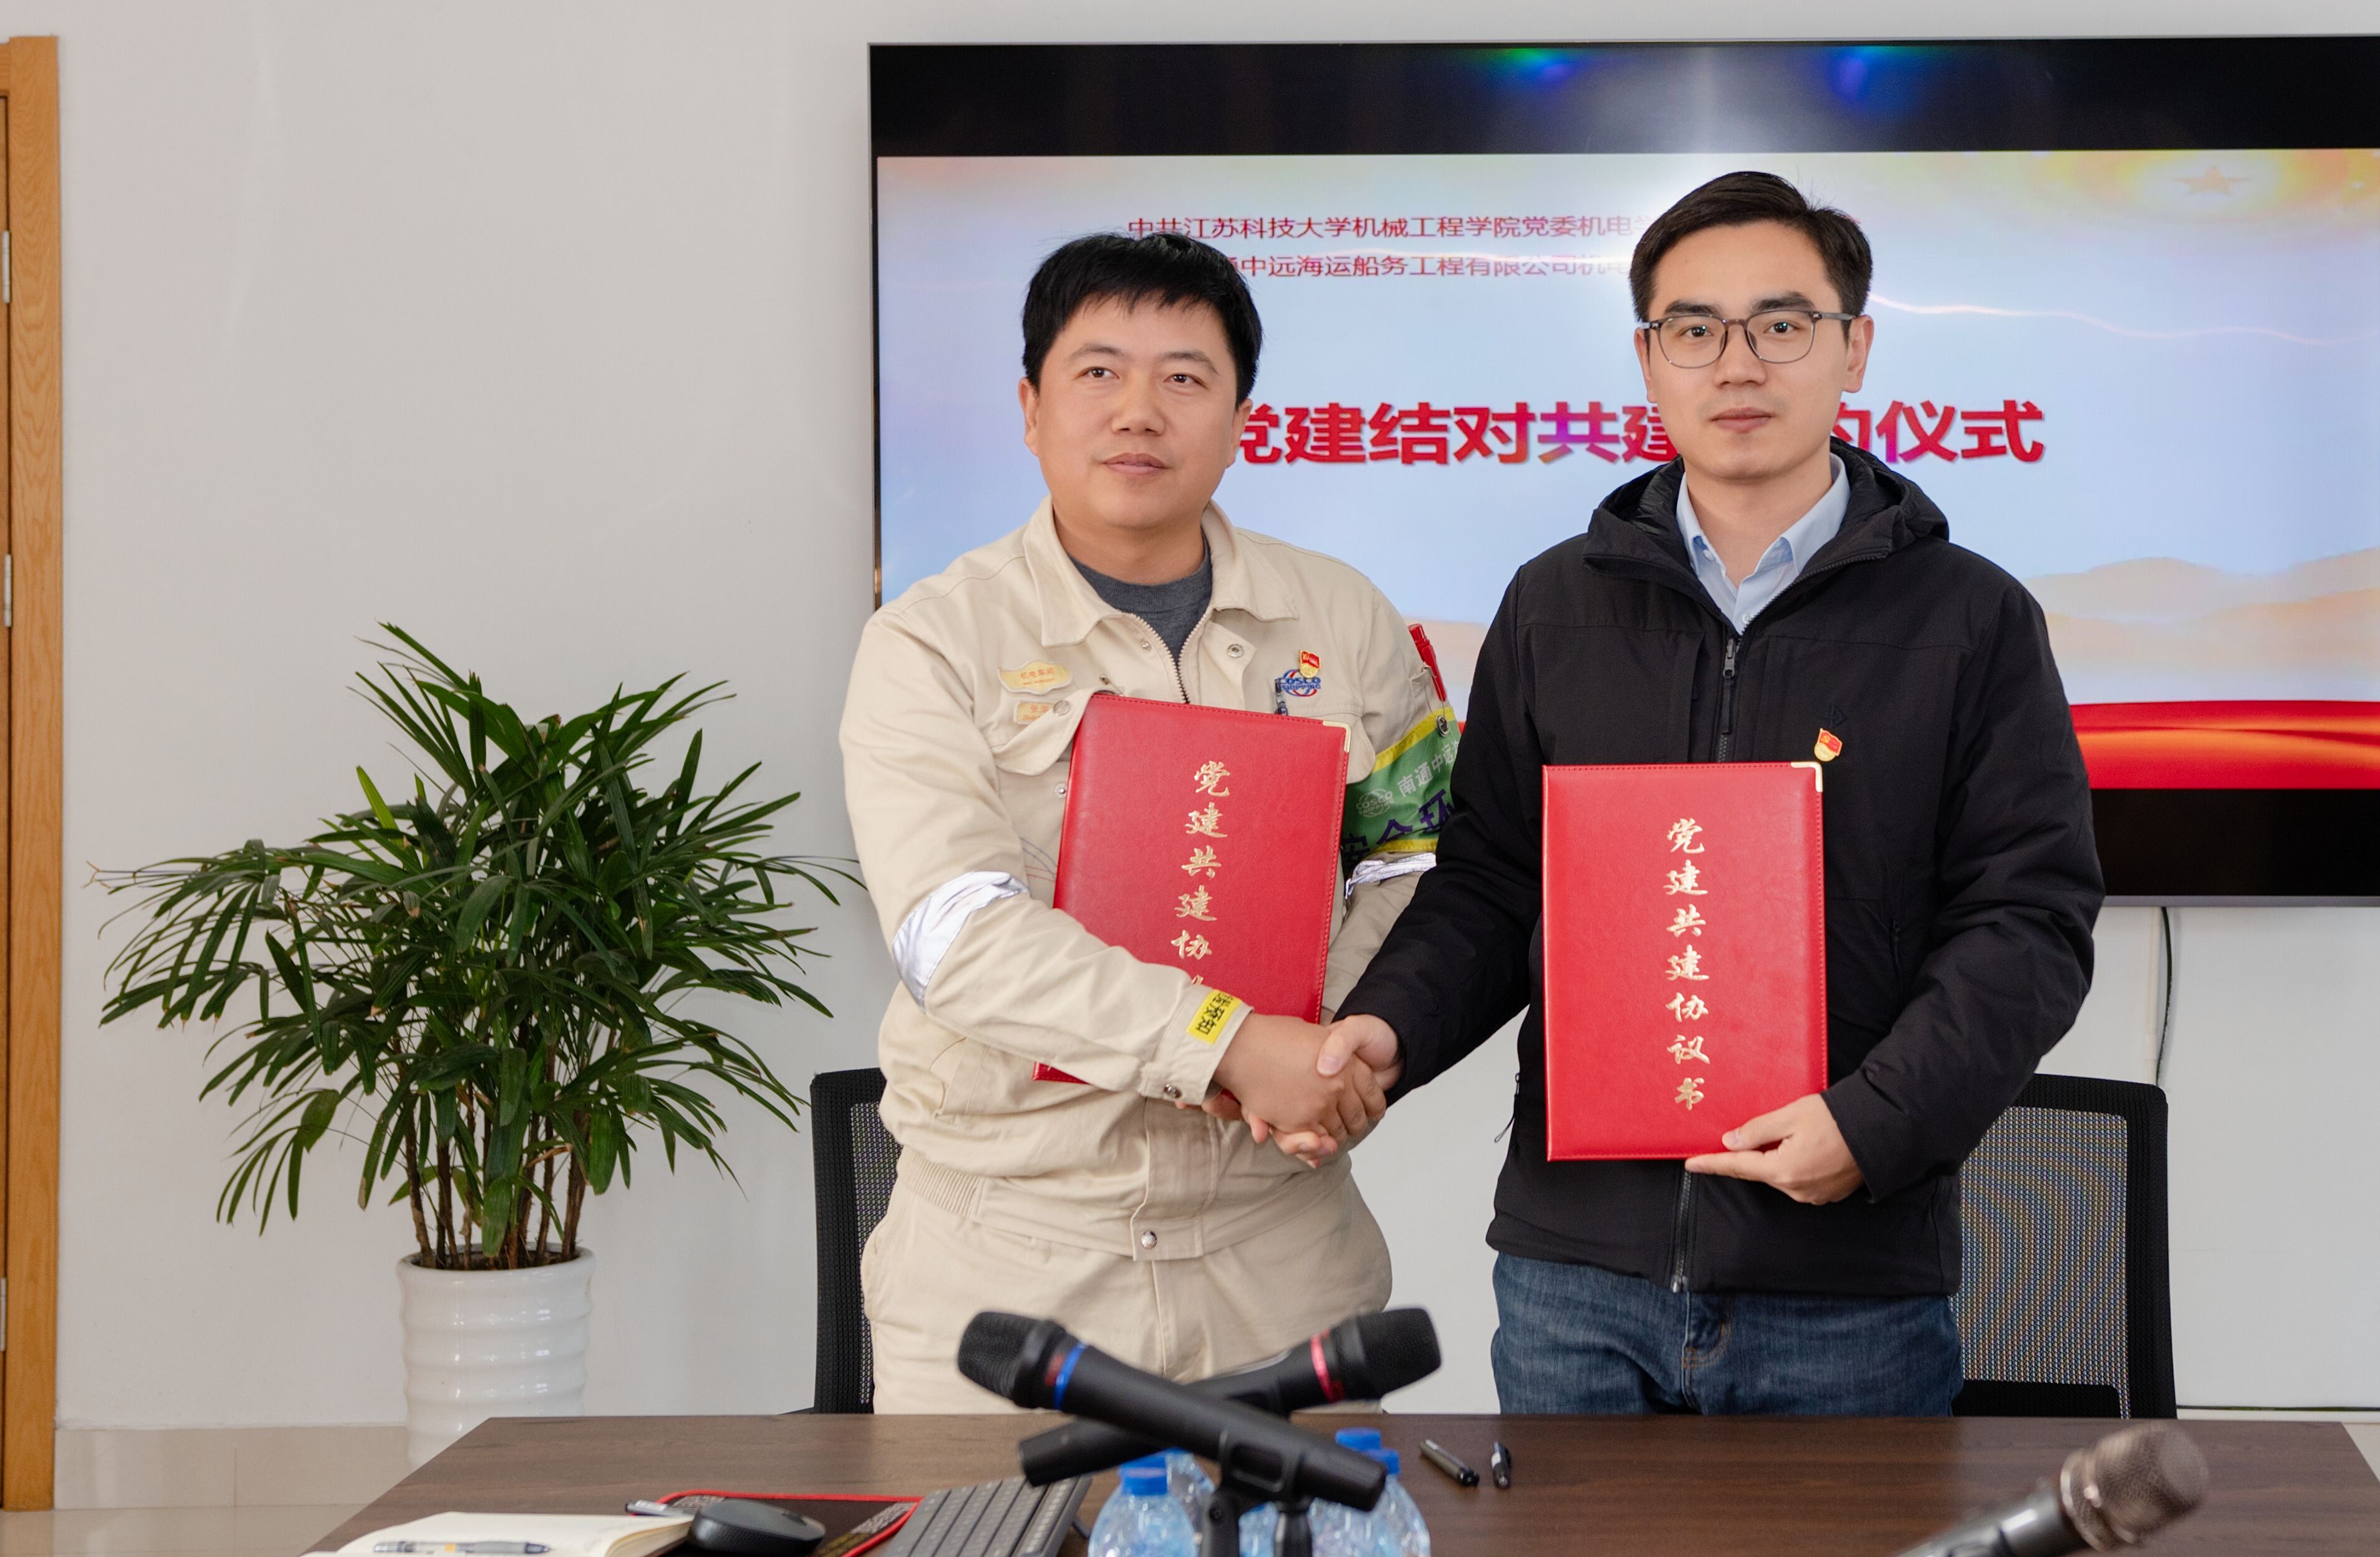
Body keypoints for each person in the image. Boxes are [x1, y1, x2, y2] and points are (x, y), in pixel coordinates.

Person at [1312, 169, 2105, 1415]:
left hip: (1847, 1281)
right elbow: (1492, 885)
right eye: (1694, 328)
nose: (1737, 364)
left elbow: (2027, 921)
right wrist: (1388, 1026)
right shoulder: (1553, 603)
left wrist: (1875, 1125)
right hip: (1579, 1277)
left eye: (1781, 324)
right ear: (1647, 359)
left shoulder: (1971, 619)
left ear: (1854, 349)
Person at [839, 232, 1455, 1411]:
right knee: (993, 1543)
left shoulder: (1347, 617)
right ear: (1031, 409)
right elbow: (955, 933)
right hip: (1016, 1266)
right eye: (1098, 372)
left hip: (1281, 1255)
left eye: (1184, 376)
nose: (1139, 410)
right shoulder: (930, 641)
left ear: (1240, 418)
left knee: (1313, 1542)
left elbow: (1413, 856)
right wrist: (1228, 1044)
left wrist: (1324, 1048)